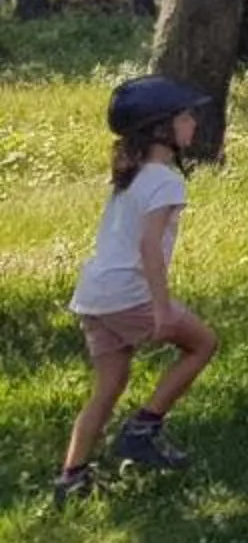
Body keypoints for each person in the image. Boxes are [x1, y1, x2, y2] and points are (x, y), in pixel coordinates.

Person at [56, 75, 219, 504]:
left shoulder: (129, 177)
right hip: (128, 293)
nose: (194, 123)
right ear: (161, 129)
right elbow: (149, 247)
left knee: (109, 384)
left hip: (94, 294)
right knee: (202, 344)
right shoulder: (165, 180)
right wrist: (162, 310)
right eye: (185, 117)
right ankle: (143, 430)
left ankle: (71, 477)